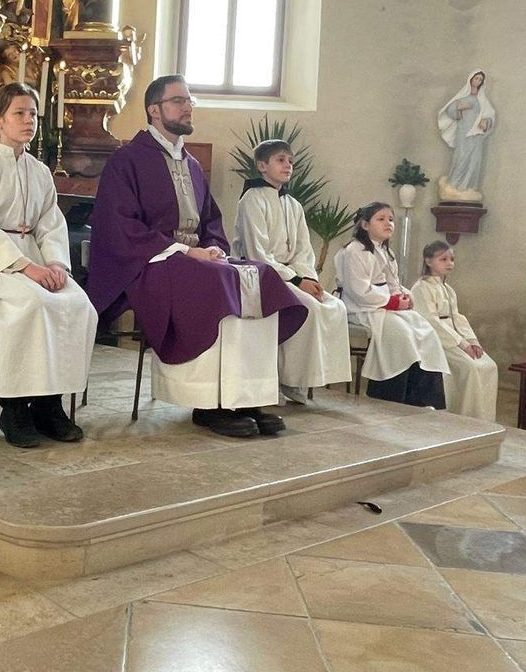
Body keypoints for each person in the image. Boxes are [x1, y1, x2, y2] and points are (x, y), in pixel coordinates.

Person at [88, 75, 308, 438]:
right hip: (150, 262)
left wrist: (214, 247)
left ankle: (246, 395)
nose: (188, 107)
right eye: (178, 101)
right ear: (154, 110)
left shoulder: (190, 164)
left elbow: (210, 220)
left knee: (260, 275)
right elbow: (119, 225)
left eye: (190, 100)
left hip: (195, 260)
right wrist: (187, 251)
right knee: (213, 281)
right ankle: (209, 402)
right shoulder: (127, 160)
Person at [0, 83, 97, 447]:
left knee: (77, 303)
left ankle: (50, 405)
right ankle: (14, 408)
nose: (29, 120)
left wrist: (56, 264)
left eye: (33, 113)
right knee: (30, 302)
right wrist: (26, 267)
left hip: (37, 258)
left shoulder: (40, 171)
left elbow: (50, 224)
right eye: (19, 113)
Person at [234, 140, 352, 401]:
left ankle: (302, 378)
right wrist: (297, 281)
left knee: (334, 307)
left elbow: (303, 250)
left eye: (290, 161)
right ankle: (284, 379)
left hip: (292, 275)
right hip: (260, 275)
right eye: (280, 160)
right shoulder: (252, 199)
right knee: (305, 307)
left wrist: (308, 277)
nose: (288, 165)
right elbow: (256, 253)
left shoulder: (294, 204)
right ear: (262, 166)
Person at [335, 203, 447, 408]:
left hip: (381, 307)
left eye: (391, 219)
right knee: (401, 334)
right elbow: (358, 290)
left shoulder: (387, 253)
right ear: (365, 225)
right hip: (359, 308)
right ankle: (390, 397)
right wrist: (391, 302)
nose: (388, 223)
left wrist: (405, 296)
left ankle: (423, 399)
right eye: (381, 219)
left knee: (424, 330)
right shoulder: (354, 251)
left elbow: (393, 284)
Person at [410, 242, 497, 420]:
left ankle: (484, 419)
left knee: (489, 366)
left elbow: (457, 318)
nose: (449, 263)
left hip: (455, 337)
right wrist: (462, 344)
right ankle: (464, 416)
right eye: (443, 259)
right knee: (470, 368)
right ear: (428, 261)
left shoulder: (448, 289)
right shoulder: (421, 288)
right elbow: (432, 321)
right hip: (438, 340)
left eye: (451, 259)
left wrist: (472, 341)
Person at [436, 69, 496, 203]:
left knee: (475, 160)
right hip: (463, 133)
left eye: (480, 80)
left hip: (476, 135)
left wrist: (486, 122)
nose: (477, 81)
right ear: (471, 79)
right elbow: (450, 110)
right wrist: (459, 108)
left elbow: (490, 116)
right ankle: (454, 185)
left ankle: (469, 187)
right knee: (461, 157)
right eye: (476, 78)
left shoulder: (483, 101)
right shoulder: (462, 97)